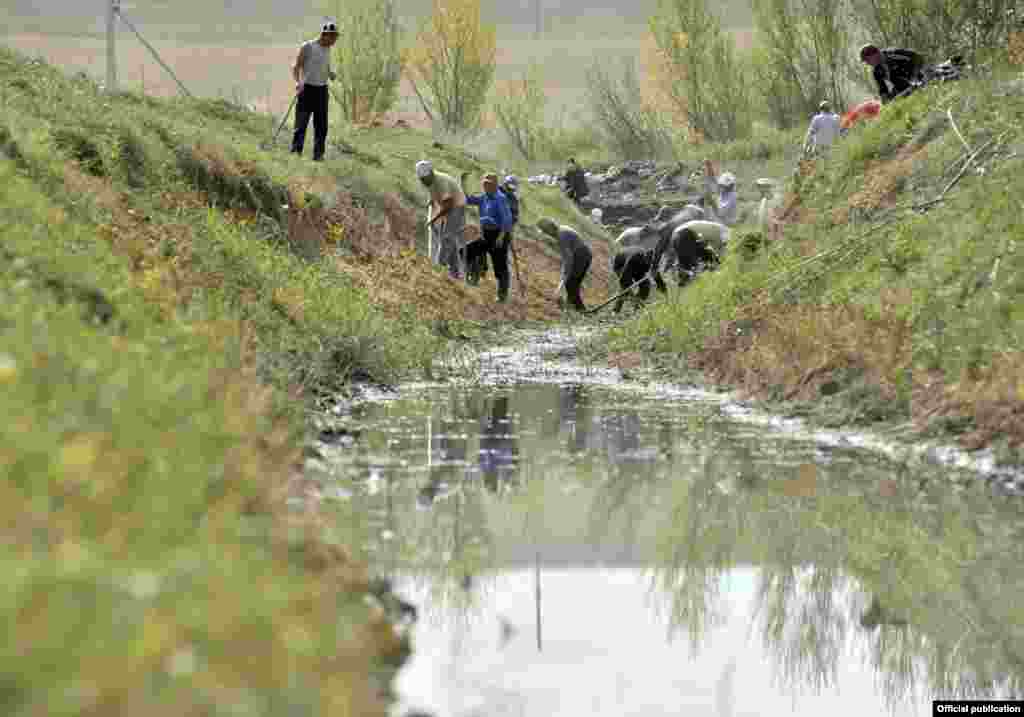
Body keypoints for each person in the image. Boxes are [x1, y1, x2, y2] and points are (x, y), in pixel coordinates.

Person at [291, 20, 339, 162]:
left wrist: (330, 73)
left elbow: (323, 65)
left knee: (321, 126)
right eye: (333, 37)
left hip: (322, 91)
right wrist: (298, 82)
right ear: (325, 35)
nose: (334, 41)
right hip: (307, 90)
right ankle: (295, 153)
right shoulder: (308, 47)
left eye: (335, 37)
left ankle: (318, 156)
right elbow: (296, 66)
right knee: (301, 124)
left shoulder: (327, 49)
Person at [464, 173, 514, 302]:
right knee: (467, 251)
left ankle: (502, 295)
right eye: (484, 183)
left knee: (500, 266)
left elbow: (507, 220)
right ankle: (473, 276)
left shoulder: (500, 198)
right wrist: (463, 183)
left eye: (489, 184)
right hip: (486, 234)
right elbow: (467, 199)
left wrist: (501, 237)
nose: (486, 186)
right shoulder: (483, 197)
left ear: (495, 185)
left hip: (499, 234)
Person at [417, 159, 467, 279]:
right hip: (447, 205)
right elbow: (435, 194)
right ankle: (455, 272)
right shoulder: (429, 182)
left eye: (426, 178)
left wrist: (434, 219)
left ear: (431, 173)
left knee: (447, 238)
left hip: (457, 206)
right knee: (448, 240)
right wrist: (432, 204)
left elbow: (448, 205)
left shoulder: (441, 181)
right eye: (422, 179)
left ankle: (439, 268)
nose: (425, 181)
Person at [538, 217, 592, 311]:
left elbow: (568, 258)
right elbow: (566, 257)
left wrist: (566, 273)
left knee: (571, 284)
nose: (547, 234)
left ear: (550, 229)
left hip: (581, 256)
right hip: (584, 254)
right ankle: (571, 307)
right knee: (573, 284)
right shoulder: (562, 230)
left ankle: (580, 310)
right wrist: (565, 271)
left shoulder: (561, 235)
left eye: (545, 231)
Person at [859, 44, 926, 104]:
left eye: (867, 60)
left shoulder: (892, 53)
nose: (867, 63)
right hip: (902, 84)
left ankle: (920, 81)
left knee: (894, 74)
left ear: (875, 54)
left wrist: (914, 76)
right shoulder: (876, 71)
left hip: (916, 74)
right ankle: (908, 90)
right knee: (892, 93)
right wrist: (884, 99)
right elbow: (882, 88)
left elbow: (917, 57)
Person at [611, 246, 668, 314]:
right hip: (621, 265)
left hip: (637, 267)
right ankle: (615, 311)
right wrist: (632, 296)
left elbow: (657, 276)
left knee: (645, 286)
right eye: (648, 263)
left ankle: (637, 308)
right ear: (645, 257)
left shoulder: (651, 261)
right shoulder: (634, 258)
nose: (650, 265)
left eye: (651, 264)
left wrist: (664, 290)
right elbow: (625, 279)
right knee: (625, 290)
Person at [701, 159, 738, 226]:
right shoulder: (724, 191)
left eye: (723, 186)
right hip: (719, 222)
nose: (721, 187)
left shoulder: (731, 196)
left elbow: (720, 213)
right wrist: (709, 167)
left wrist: (712, 202)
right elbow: (714, 180)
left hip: (725, 225)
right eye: (721, 185)